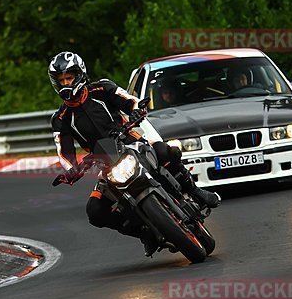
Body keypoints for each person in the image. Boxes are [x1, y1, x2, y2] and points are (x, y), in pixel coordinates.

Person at [48, 51, 220, 257]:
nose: (66, 83)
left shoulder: (102, 88)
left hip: (131, 142)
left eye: (69, 77)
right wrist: (71, 170)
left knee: (167, 152)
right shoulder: (60, 118)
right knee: (94, 211)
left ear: (80, 74)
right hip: (106, 164)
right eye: (62, 80)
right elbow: (64, 153)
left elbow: (130, 101)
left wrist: (137, 109)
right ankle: (144, 233)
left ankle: (195, 192)